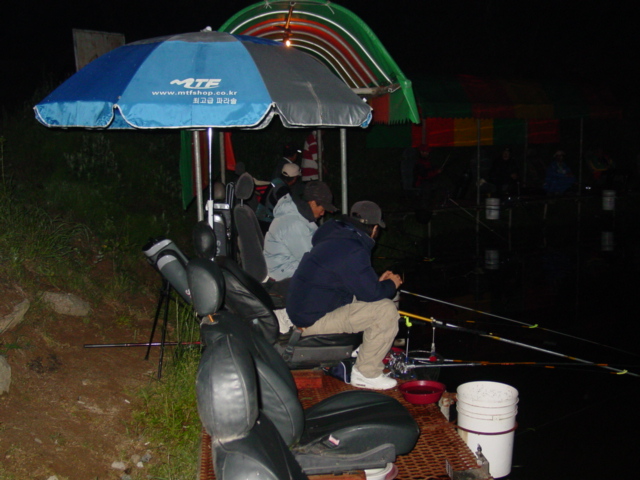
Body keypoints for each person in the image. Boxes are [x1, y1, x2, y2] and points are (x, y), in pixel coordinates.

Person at [286, 201, 402, 390]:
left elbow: (359, 286)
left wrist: (379, 284)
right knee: (386, 311)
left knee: (377, 300)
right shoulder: (352, 249)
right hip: (310, 321)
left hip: (307, 309)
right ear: (374, 229)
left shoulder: (338, 237)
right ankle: (366, 373)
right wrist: (392, 284)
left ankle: (366, 351)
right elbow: (371, 293)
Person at [264, 181, 337, 281]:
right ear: (312, 203)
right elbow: (312, 259)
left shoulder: (300, 216)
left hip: (290, 270)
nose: (323, 213)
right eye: (323, 209)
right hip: (283, 278)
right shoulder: (294, 223)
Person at [255, 163, 302, 232]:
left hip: (260, 218)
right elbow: (287, 211)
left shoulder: (276, 181)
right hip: (268, 223)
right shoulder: (283, 191)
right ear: (294, 178)